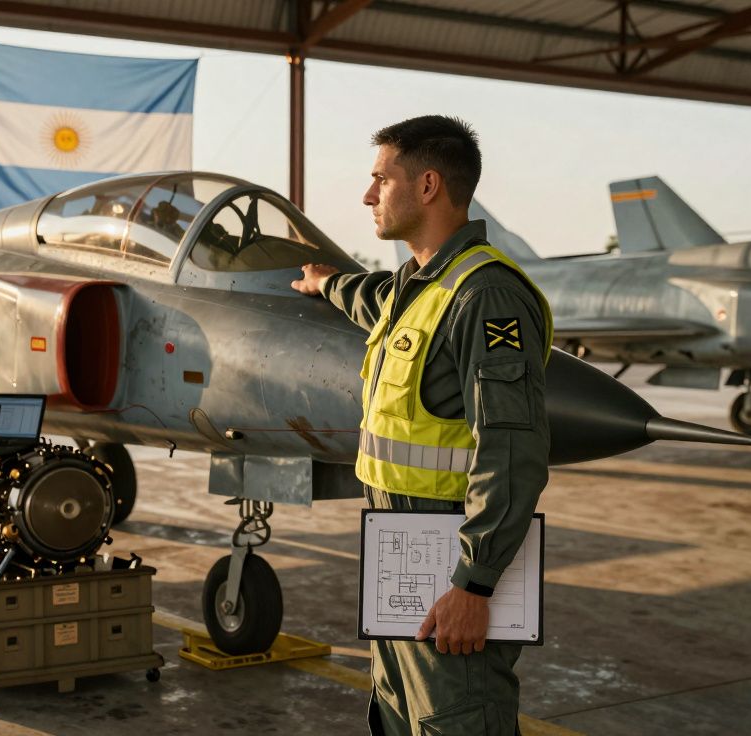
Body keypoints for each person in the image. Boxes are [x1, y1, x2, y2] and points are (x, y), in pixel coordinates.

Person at [291, 116, 553, 735]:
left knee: (455, 720)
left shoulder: (485, 296)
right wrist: (327, 283)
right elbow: (375, 301)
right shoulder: (416, 286)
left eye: (381, 179)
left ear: (428, 185)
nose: (366, 195)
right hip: (401, 552)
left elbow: (512, 451)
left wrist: (474, 584)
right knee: (398, 715)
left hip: (451, 563)